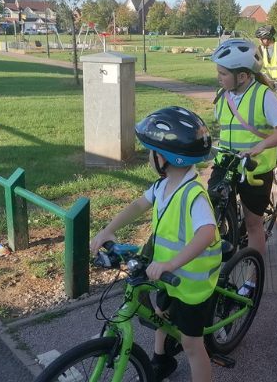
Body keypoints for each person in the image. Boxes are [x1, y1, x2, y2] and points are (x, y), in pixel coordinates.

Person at [89, 107, 221, 382]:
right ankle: (161, 358)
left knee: (193, 346)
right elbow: (138, 205)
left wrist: (171, 263)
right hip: (167, 274)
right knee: (161, 312)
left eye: (149, 151)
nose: (149, 156)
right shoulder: (163, 185)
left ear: (163, 157)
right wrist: (109, 229)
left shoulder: (193, 194)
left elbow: (207, 233)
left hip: (190, 284)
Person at [209, 38, 277, 258]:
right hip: (226, 164)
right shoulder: (222, 96)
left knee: (253, 224)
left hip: (254, 169)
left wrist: (260, 146)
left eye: (223, 73)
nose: (218, 77)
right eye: (218, 72)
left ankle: (254, 279)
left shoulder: (264, 96)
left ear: (243, 76)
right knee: (212, 211)